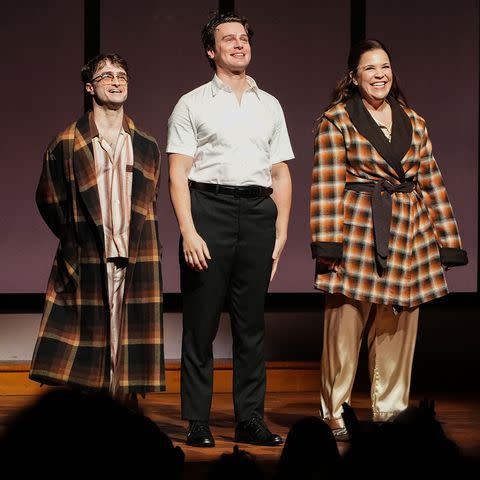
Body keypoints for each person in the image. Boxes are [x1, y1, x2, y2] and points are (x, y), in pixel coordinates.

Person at [310, 39, 468, 441]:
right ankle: (335, 413)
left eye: (385, 67)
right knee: (344, 328)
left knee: (397, 328)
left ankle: (390, 411)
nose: (379, 75)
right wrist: (328, 244)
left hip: (407, 234)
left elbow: (431, 183)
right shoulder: (338, 119)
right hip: (357, 231)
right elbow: (327, 185)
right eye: (370, 69)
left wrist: (446, 239)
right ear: (354, 77)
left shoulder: (414, 122)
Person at [167, 12, 293, 447]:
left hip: (258, 214)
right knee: (201, 324)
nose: (239, 45)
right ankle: (198, 420)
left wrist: (280, 235)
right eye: (228, 39)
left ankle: (250, 419)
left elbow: (280, 174)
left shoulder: (269, 104)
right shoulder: (192, 103)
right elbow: (178, 172)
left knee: (251, 326)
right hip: (209, 209)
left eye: (243, 38)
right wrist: (188, 230)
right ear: (211, 50)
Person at [30, 53, 165, 407]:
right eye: (106, 76)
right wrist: (76, 237)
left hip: (135, 256)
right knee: (89, 340)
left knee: (127, 339)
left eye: (122, 75)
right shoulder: (67, 143)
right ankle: (92, 415)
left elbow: (151, 201)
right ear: (90, 87)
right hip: (89, 255)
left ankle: (123, 411)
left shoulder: (147, 145)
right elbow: (48, 199)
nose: (117, 81)